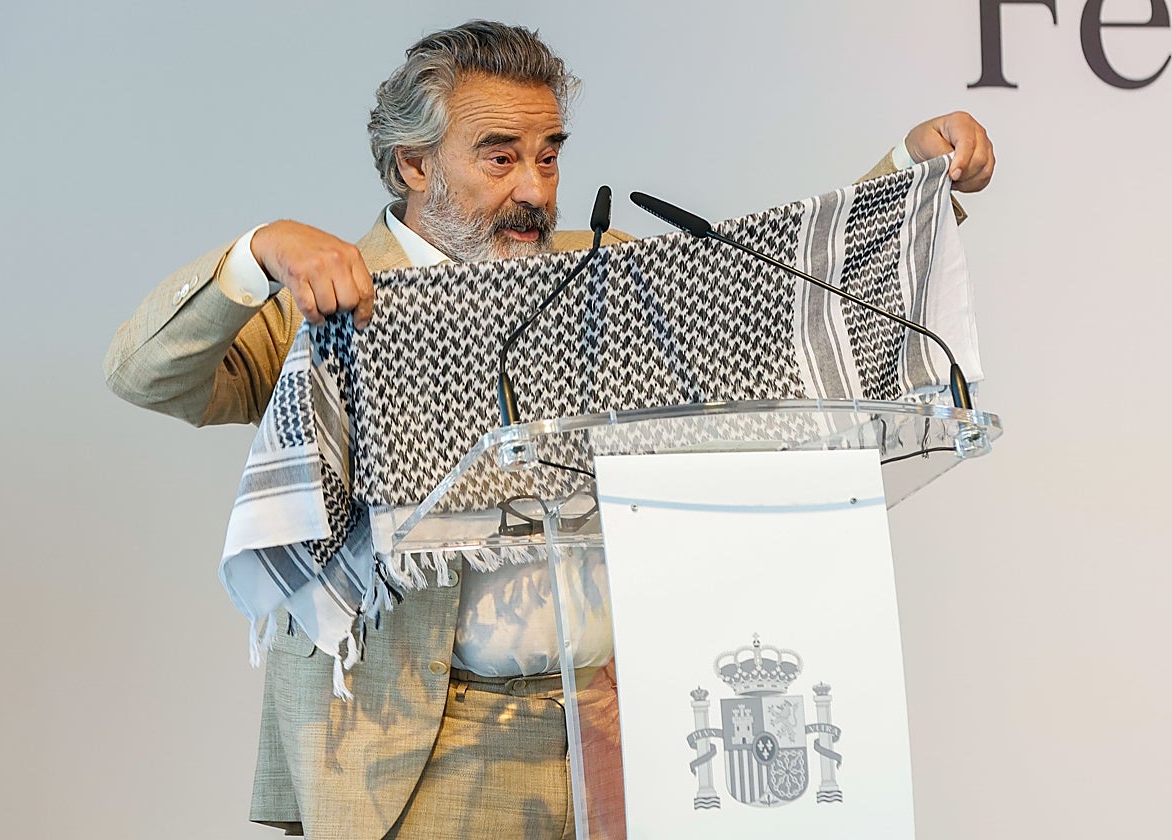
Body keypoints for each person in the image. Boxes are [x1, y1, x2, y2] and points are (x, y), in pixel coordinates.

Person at [103, 19, 995, 840]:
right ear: (415, 165)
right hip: (415, 750)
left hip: (606, 728)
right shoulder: (330, 294)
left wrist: (910, 173)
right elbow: (147, 375)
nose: (536, 190)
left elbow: (774, 313)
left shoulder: (594, 274)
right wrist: (258, 254)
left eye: (549, 155)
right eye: (499, 158)